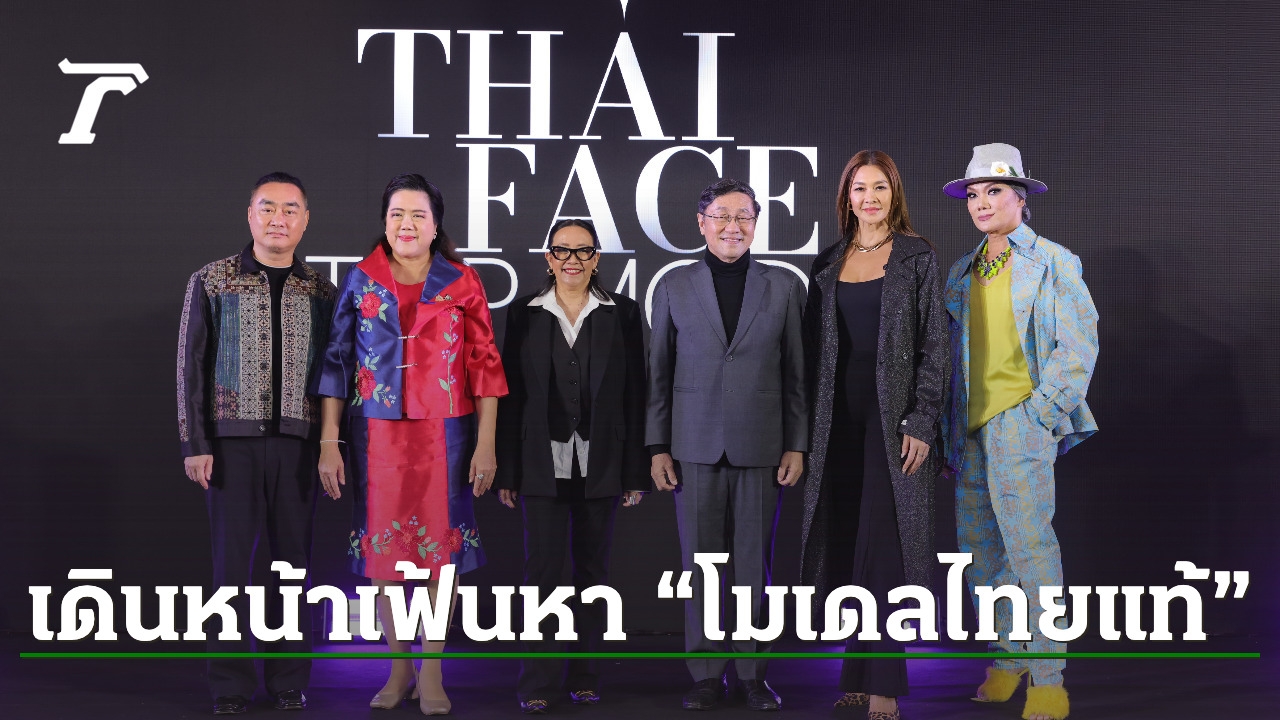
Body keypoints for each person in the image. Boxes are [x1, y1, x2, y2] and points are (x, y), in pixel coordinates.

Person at [312, 173, 507, 716]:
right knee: (382, 555)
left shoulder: (462, 281)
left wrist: (486, 443)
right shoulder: (361, 279)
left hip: (446, 434)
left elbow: (485, 366)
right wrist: (329, 442)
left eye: (419, 214)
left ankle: (434, 669)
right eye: (397, 213)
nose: (407, 224)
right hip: (375, 435)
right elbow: (336, 364)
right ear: (384, 221)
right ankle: (399, 668)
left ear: (436, 224)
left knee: (440, 556)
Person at [941, 144, 1098, 720]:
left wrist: (1040, 415)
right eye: (973, 194)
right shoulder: (961, 271)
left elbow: (1078, 346)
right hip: (969, 429)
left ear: (1021, 198)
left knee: (1031, 550)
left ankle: (1049, 677)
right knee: (982, 555)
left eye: (994, 191)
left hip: (1020, 421)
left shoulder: (1054, 262)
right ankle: (1008, 660)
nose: (981, 203)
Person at [177, 172, 336, 715]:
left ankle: (289, 680)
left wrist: (330, 445)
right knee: (230, 570)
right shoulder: (212, 279)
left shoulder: (321, 290)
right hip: (229, 446)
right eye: (267, 208)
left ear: (305, 220)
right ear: (250, 215)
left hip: (298, 444)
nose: (278, 219)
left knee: (293, 567)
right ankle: (229, 684)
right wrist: (195, 441)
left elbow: (334, 375)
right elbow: (190, 366)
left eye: (290, 209)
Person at [647, 178, 807, 712]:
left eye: (743, 216)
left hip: (763, 446)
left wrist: (796, 444)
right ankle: (706, 675)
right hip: (692, 446)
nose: (732, 226)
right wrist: (657, 446)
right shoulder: (674, 285)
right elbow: (658, 373)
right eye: (721, 215)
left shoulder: (784, 287)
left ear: (756, 224)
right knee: (701, 568)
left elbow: (796, 375)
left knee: (754, 567)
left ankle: (753, 675)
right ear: (701, 223)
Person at [798, 151, 947, 720]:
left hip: (894, 427)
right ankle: (856, 673)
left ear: (894, 193)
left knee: (885, 550)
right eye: (859, 188)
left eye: (880, 187)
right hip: (836, 425)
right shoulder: (827, 261)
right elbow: (812, 353)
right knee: (848, 547)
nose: (870, 198)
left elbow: (935, 346)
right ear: (846, 197)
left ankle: (885, 683)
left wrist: (922, 421)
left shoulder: (916, 257)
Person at [495, 219, 650, 714]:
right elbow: (510, 395)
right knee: (541, 574)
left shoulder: (623, 312)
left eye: (583, 251)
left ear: (596, 258)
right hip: (540, 464)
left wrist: (634, 472)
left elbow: (636, 392)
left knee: (593, 574)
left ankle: (586, 675)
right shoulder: (524, 313)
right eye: (562, 251)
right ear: (548, 258)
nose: (572, 260)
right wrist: (508, 471)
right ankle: (536, 682)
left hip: (602, 462)